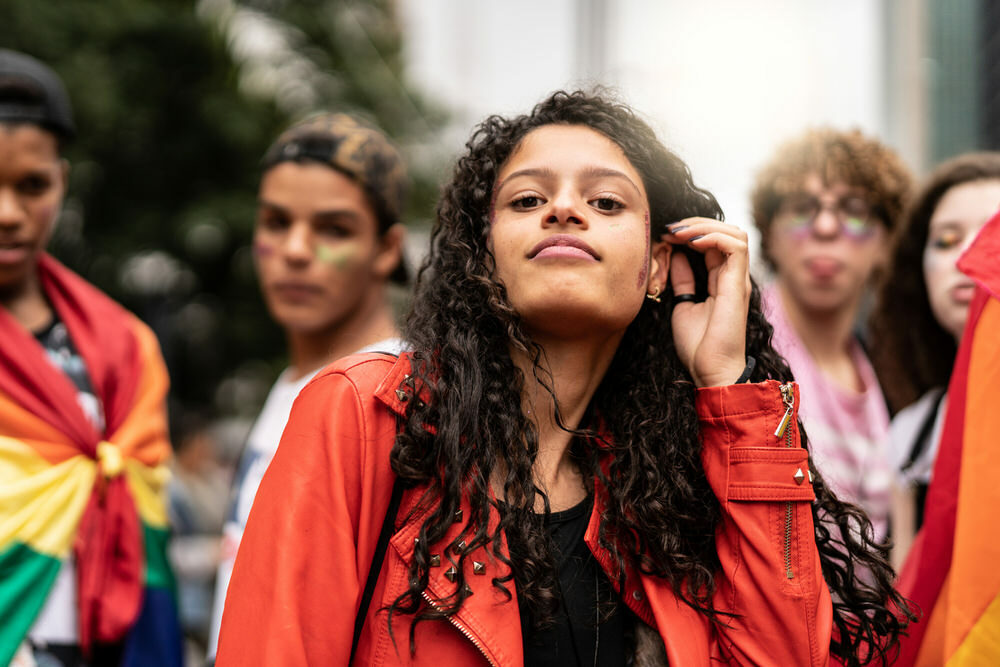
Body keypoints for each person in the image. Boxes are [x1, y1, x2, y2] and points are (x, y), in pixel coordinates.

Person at [216, 91, 908, 666]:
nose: (565, 209)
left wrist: (729, 388)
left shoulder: (671, 485)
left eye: (606, 202)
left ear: (660, 265)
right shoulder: (361, 414)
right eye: (525, 200)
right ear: (482, 253)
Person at [0, 50, 181, 666]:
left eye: (32, 186)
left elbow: (148, 525)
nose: (8, 214)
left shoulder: (124, 348)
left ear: (62, 182)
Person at [206, 112, 409, 660]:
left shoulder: (391, 397)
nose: (295, 250)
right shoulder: (289, 384)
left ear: (387, 249)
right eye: (275, 222)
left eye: (333, 229)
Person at [750, 128, 912, 542]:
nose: (824, 226)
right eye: (802, 208)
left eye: (854, 211)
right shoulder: (735, 346)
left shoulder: (892, 380)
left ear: (885, 243)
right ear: (770, 233)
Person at [869, 152, 1000, 564]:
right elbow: (906, 605)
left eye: (993, 238)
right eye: (946, 240)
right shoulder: (911, 435)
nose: (966, 259)